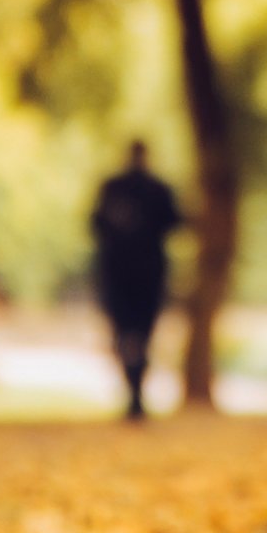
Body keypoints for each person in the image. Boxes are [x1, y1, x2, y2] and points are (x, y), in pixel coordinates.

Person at [90, 140, 182, 419]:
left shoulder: (114, 188)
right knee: (137, 336)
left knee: (129, 335)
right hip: (141, 275)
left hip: (126, 275)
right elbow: (176, 224)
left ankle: (135, 395)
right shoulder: (155, 189)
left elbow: (95, 225)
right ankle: (135, 394)